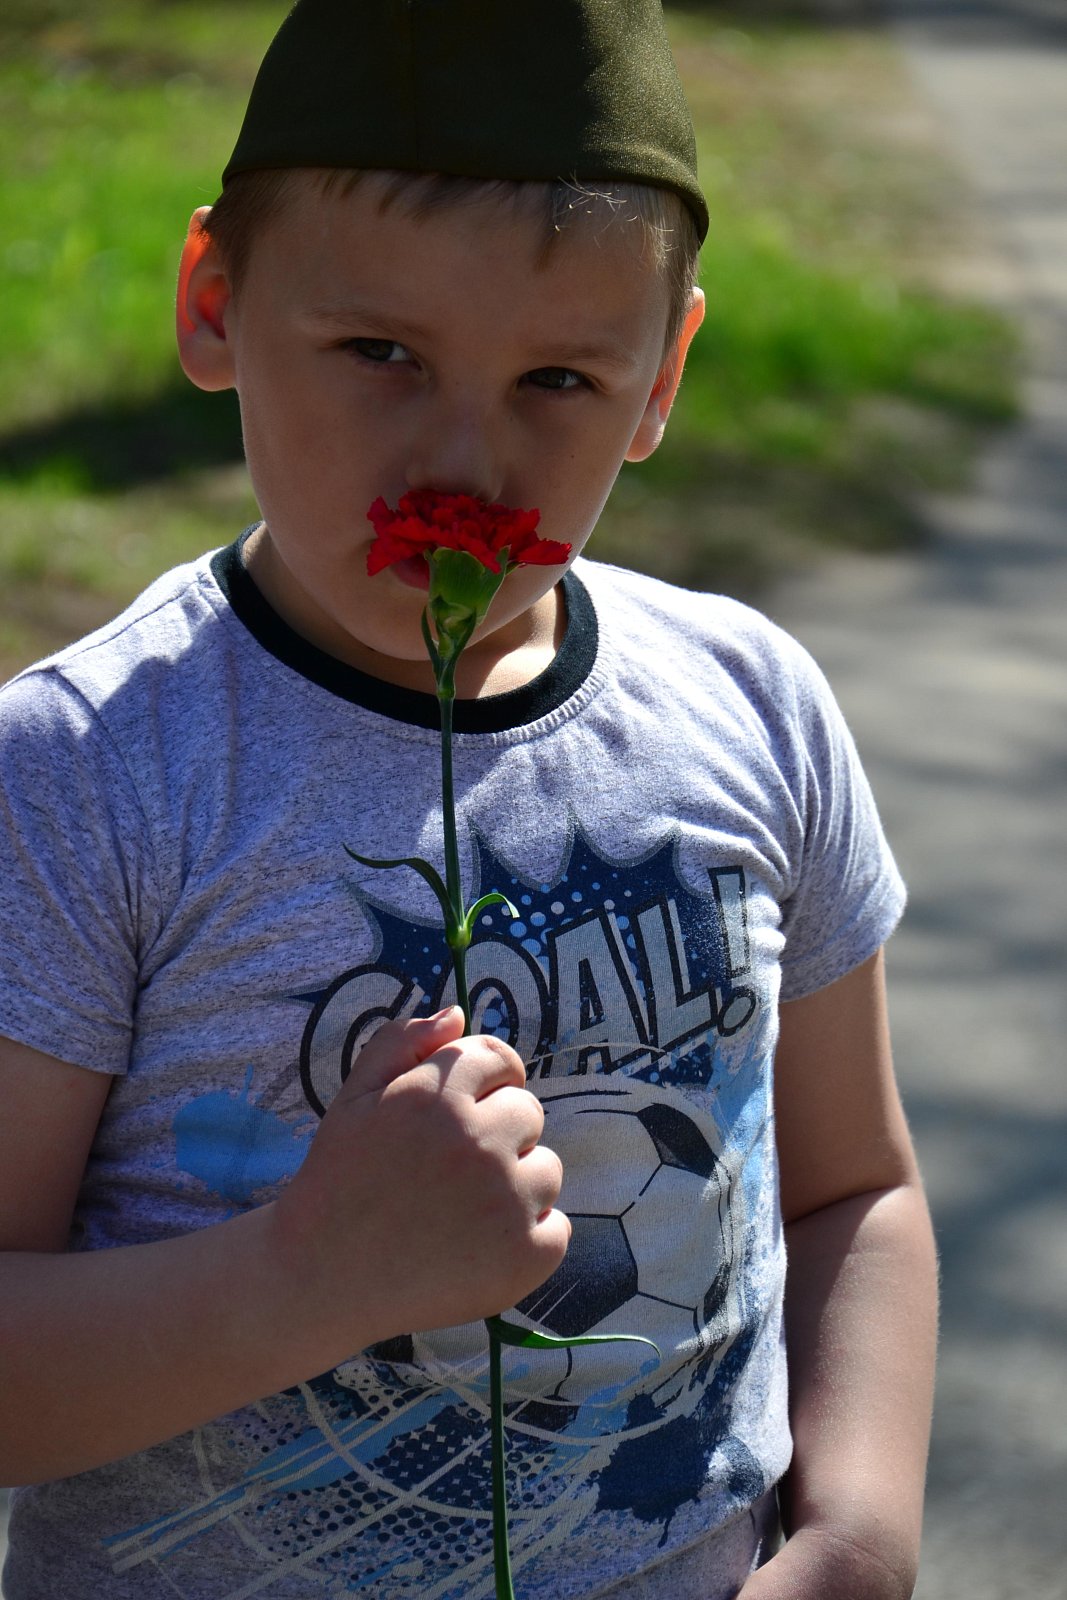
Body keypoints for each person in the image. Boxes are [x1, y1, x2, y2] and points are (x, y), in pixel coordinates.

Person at [0, 2, 938, 1596]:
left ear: (663, 376)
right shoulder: (84, 774)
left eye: (560, 377)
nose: (463, 461)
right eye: (381, 353)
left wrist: (857, 1533)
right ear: (215, 302)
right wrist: (302, 1278)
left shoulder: (755, 709)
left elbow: (859, 1189)